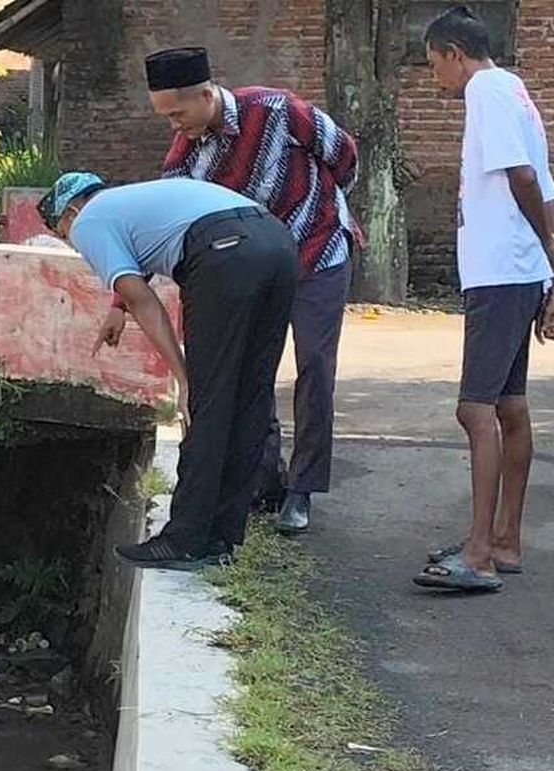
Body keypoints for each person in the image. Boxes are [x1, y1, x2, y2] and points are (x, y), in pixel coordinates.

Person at [102, 46, 360, 536]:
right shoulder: (183, 157)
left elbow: (343, 154)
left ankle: (303, 489)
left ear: (206, 94)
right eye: (166, 118)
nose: (174, 126)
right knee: (247, 370)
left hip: (317, 250)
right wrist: (120, 303)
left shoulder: (280, 110)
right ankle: (264, 480)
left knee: (315, 367)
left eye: (178, 113)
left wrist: (324, 206)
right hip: (249, 273)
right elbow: (164, 228)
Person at [39, 173, 297, 569]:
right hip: (276, 244)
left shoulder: (89, 221)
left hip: (223, 253)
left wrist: (183, 376)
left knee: (207, 403)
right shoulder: (130, 201)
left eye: (63, 235)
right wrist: (116, 309)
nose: (75, 246)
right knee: (251, 394)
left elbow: (143, 301)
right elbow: (135, 272)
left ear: (71, 211)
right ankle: (221, 536)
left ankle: (184, 540)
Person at [414, 6, 554, 592]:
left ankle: (477, 555)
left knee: (475, 410)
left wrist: (551, 254)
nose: (434, 79)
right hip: (515, 270)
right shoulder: (515, 88)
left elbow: (522, 177)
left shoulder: (489, 91)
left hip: (502, 272)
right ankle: (504, 541)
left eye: (433, 65)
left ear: (452, 52)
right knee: (508, 404)